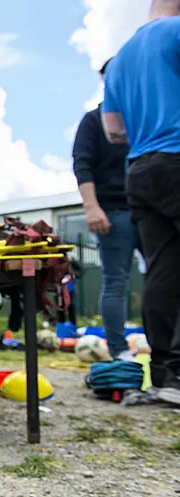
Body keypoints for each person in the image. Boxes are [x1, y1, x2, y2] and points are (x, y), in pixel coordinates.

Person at [102, 0, 180, 405]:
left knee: (163, 270)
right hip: (177, 155)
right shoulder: (175, 32)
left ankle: (167, 377)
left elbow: (114, 131)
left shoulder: (120, 60)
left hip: (141, 169)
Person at [73, 58, 138, 361]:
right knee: (116, 281)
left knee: (167, 278)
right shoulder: (94, 121)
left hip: (152, 209)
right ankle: (120, 350)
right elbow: (82, 165)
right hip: (113, 212)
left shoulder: (145, 117)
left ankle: (168, 349)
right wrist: (92, 207)